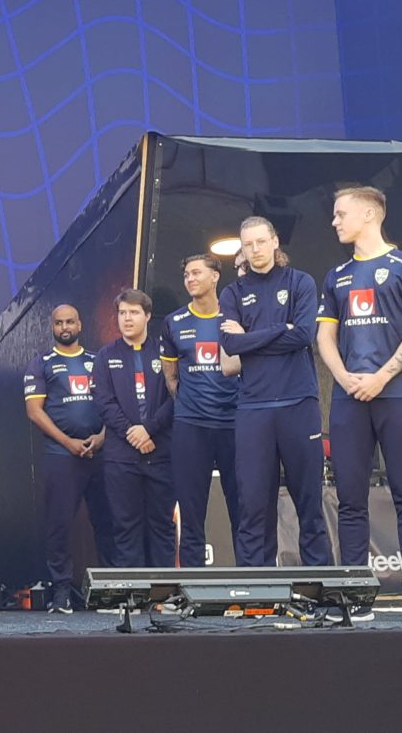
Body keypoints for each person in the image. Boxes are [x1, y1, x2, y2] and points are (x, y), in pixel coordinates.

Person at [316, 186, 402, 623]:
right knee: (350, 500)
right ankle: (355, 600)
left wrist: (381, 377)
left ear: (369, 214)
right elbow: (324, 336)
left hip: (399, 395)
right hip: (350, 399)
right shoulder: (336, 276)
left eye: (340, 213)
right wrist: (344, 377)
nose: (334, 221)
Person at [218, 217, 332, 568]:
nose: (255, 250)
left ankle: (320, 584)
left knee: (309, 501)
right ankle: (256, 587)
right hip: (254, 407)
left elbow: (303, 335)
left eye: (260, 242)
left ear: (274, 241)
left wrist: (251, 338)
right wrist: (280, 329)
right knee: (253, 504)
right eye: (248, 244)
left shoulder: (300, 282)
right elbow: (230, 344)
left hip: (299, 403)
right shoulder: (232, 293)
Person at [24, 304, 110, 613]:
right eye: (59, 323)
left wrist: (102, 436)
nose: (65, 327)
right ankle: (61, 591)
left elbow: (114, 404)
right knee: (58, 524)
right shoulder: (42, 363)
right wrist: (68, 442)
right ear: (52, 327)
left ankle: (111, 590)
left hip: (101, 451)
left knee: (108, 521)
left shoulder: (98, 361)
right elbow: (34, 411)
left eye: (70, 321)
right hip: (61, 453)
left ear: (80, 324)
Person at [160, 255, 240, 568]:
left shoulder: (235, 316)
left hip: (234, 423)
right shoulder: (174, 322)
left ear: (215, 276)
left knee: (242, 509)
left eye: (197, 273)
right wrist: (190, 403)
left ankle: (252, 581)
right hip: (191, 426)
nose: (190, 279)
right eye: (186, 275)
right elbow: (171, 377)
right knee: (192, 512)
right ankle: (193, 584)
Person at [94, 290, 176, 567]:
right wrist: (134, 433)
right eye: (122, 313)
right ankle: (134, 590)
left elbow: (175, 396)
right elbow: (104, 403)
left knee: (162, 526)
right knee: (125, 526)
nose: (127, 319)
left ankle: (165, 589)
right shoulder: (105, 356)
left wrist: (149, 429)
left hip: (160, 453)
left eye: (134, 312)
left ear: (148, 316)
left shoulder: (164, 352)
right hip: (121, 457)